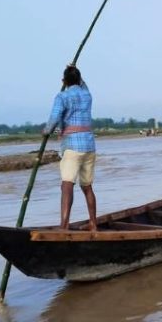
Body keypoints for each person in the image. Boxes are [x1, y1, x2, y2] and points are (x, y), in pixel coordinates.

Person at [43, 64, 97, 231]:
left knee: (67, 185)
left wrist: (46, 131)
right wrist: (75, 71)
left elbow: (54, 119)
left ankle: (64, 226)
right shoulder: (87, 95)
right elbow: (83, 85)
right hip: (89, 146)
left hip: (72, 146)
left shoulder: (62, 96)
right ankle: (93, 224)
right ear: (79, 79)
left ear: (64, 81)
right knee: (87, 186)